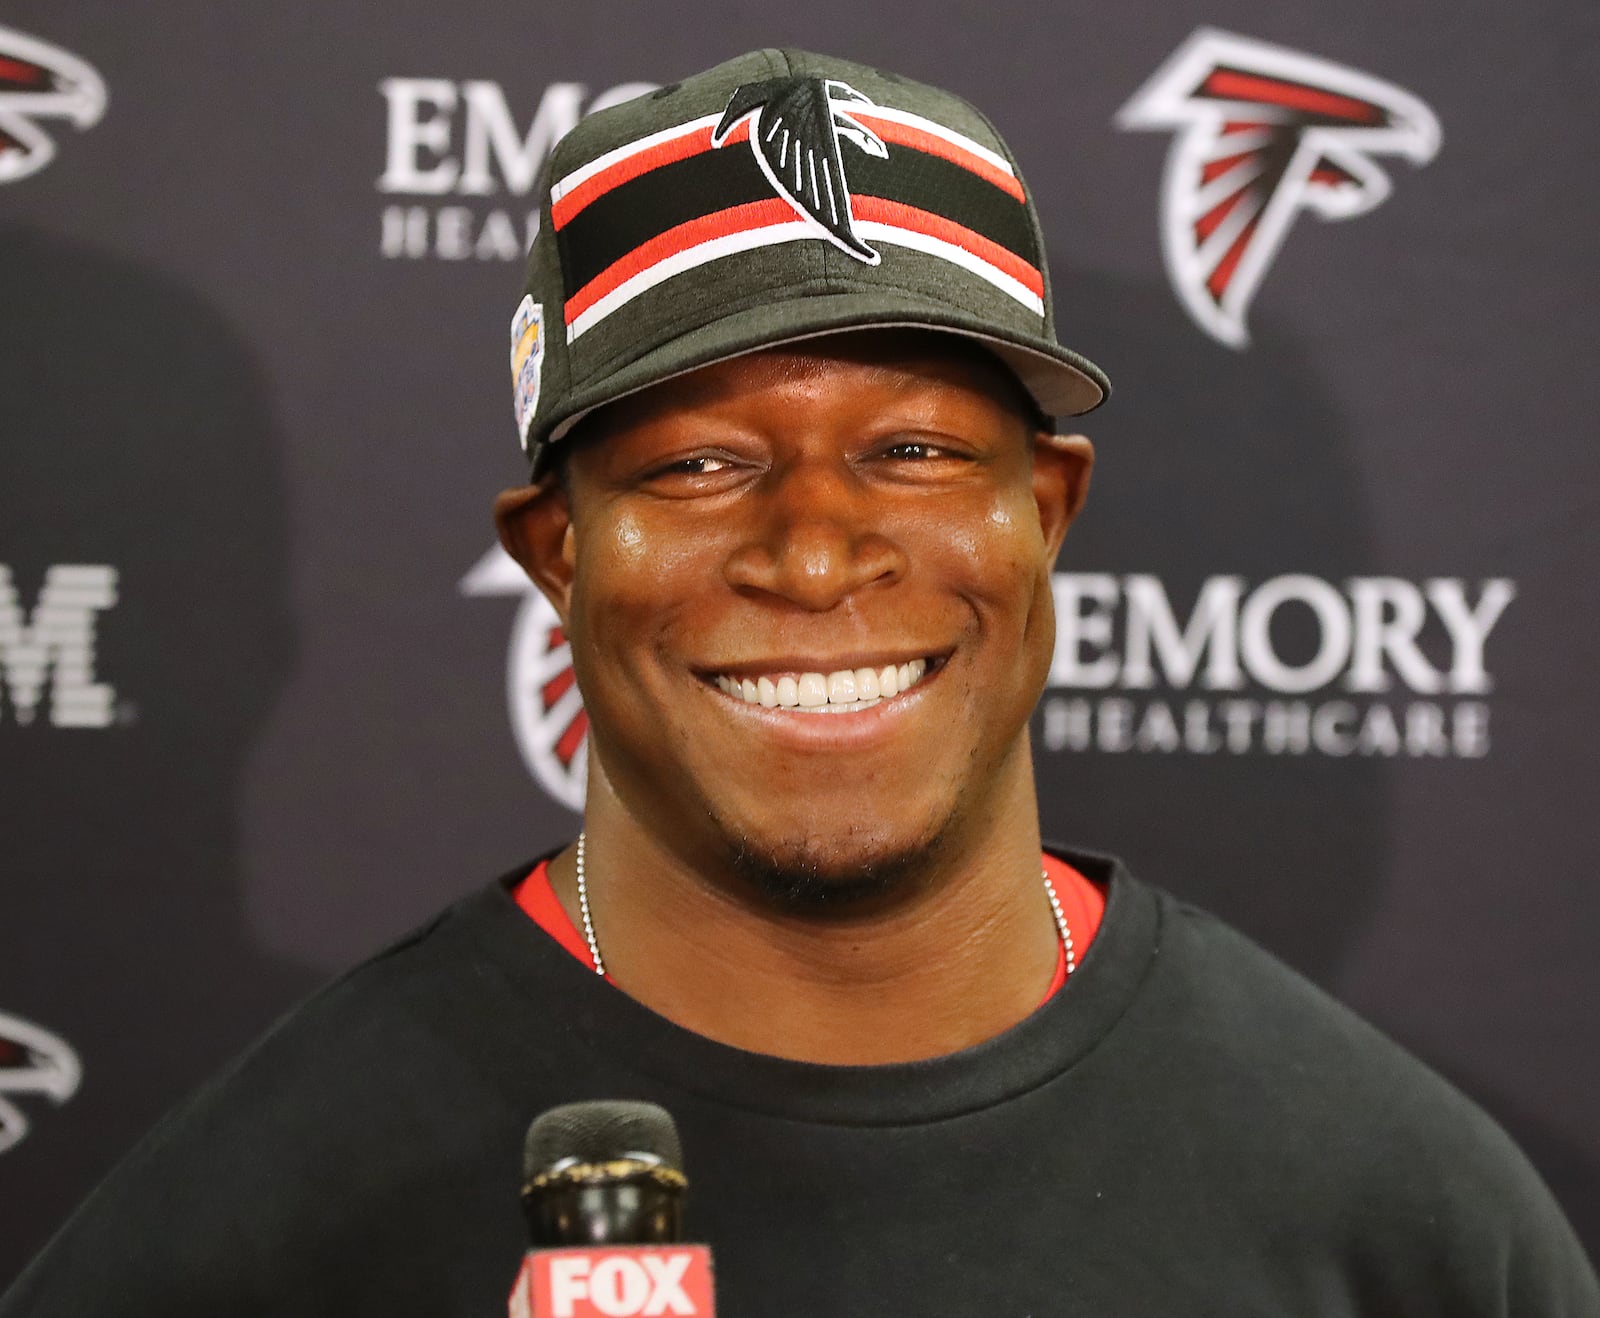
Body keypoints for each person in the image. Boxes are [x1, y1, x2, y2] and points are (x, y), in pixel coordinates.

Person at [4, 47, 1595, 1318]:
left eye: (913, 452)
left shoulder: (1406, 1216)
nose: (818, 557)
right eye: (699, 463)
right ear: (558, 551)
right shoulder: (257, 1231)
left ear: (1045, 512)